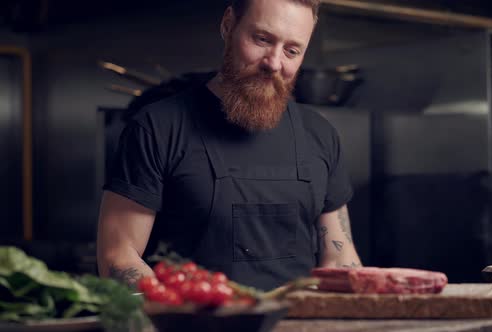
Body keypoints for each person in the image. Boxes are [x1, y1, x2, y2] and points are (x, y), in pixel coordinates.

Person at [97, 0, 362, 291]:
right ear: (228, 25)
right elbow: (119, 255)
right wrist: (173, 308)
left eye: (292, 51)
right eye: (262, 39)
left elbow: (339, 254)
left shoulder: (319, 133)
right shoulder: (156, 128)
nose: (274, 63)